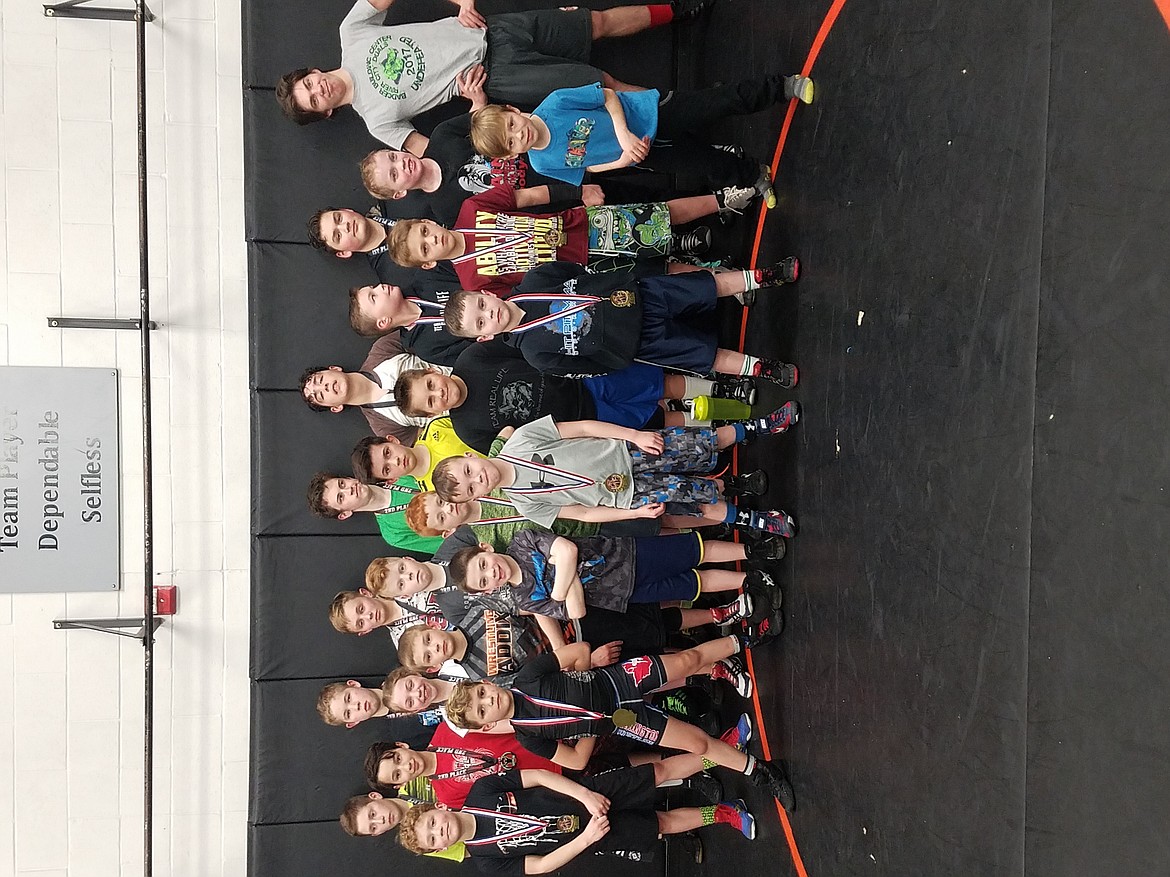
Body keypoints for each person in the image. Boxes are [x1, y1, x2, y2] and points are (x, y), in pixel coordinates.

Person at [275, 0, 719, 155]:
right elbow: (440, 154)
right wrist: (477, 106)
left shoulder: (350, 33)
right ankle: (696, 108)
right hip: (501, 77)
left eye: (310, 84)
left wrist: (461, 2)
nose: (318, 90)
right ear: (328, 112)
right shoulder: (377, 123)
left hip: (493, 29)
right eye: (314, 100)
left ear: (314, 72)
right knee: (602, 85)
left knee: (594, 22)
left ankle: (678, 10)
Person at [442, 637, 797, 809]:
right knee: (697, 743)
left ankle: (744, 637)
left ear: (487, 684)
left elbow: (579, 650)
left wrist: (585, 680)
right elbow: (577, 761)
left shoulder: (529, 676)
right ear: (487, 726)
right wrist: (597, 725)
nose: (489, 702)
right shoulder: (529, 738)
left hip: (618, 680)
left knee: (689, 659)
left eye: (483, 695)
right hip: (623, 720)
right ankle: (758, 771)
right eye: (483, 710)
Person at [431, 414, 801, 536]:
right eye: (470, 488)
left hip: (629, 451)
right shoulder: (527, 505)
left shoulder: (524, 438)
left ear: (470, 455)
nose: (476, 478)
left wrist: (634, 434)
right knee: (698, 504)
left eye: (468, 470)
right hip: (627, 496)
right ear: (475, 498)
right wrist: (633, 514)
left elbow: (584, 428)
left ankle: (761, 426)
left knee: (701, 441)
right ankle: (756, 520)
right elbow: (584, 514)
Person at [442, 260, 800, 383]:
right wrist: (620, 355)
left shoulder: (535, 282)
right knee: (706, 356)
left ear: (487, 293)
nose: (490, 314)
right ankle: (761, 369)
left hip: (640, 294)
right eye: (481, 322)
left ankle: (761, 276)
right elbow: (584, 368)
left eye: (482, 305)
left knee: (708, 285)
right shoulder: (536, 354)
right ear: (484, 338)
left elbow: (578, 272)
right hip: (637, 344)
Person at [394, 341, 757, 454]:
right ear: (431, 414)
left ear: (431, 373)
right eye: (430, 402)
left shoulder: (472, 358)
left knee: (659, 385)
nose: (437, 394)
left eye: (430, 386)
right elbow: (518, 447)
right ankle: (718, 418)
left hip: (586, 379)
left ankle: (719, 389)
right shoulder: (467, 430)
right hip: (582, 426)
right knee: (657, 420)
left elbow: (530, 351)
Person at [384, 186, 771, 290]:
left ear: (427, 223)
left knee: (660, 214)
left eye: (424, 232)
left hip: (580, 225)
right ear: (428, 262)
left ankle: (722, 200)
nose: (431, 239)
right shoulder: (472, 279)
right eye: (424, 248)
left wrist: (578, 188)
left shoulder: (472, 209)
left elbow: (532, 197)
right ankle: (721, 279)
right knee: (661, 270)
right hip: (582, 270)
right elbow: (526, 290)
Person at [467, 76, 813, 192]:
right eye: (511, 142)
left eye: (512, 125)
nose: (519, 134)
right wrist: (622, 159)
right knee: (702, 164)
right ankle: (753, 175)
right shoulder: (542, 164)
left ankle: (782, 86)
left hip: (652, 113)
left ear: (512, 110)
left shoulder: (554, 104)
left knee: (719, 103)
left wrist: (623, 133)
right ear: (511, 155)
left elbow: (606, 95)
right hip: (642, 153)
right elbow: (586, 170)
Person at [398, 765, 758, 870]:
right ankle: (724, 814)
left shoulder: (479, 793)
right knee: (660, 824)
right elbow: (538, 867)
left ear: (437, 808)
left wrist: (584, 794)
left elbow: (537, 777)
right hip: (593, 834)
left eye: (431, 823)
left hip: (588, 794)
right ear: (441, 848)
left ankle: (718, 755)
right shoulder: (488, 861)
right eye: (433, 840)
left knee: (659, 772)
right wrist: (586, 839)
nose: (438, 831)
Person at [447, 532, 775, 644]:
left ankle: (751, 552)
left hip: (625, 554)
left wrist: (560, 585)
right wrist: (565, 575)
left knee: (693, 550)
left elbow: (568, 550)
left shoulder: (521, 542)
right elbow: (576, 611)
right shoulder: (524, 598)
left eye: (484, 566)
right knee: (691, 585)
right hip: (622, 594)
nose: (492, 573)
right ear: (488, 591)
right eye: (485, 581)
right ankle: (745, 581)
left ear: (486, 550)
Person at [359, 112, 593, 226]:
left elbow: (494, 118)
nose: (401, 163)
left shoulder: (442, 135)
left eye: (393, 157)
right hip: (567, 197)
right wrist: (576, 194)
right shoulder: (446, 211)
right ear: (399, 193)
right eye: (394, 174)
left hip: (561, 152)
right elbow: (512, 213)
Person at [298, 332, 451, 440]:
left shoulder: (382, 349)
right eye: (320, 396)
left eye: (320, 380)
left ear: (334, 368)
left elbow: (426, 335)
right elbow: (427, 441)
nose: (325, 387)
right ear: (336, 408)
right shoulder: (383, 427)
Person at [395, 620, 622, 684]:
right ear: (434, 667)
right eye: (428, 655)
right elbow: (539, 682)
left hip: (579, 619)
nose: (433, 647)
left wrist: (562, 648)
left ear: (432, 626)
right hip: (592, 660)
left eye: (427, 639)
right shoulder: (481, 677)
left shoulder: (477, 609)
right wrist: (588, 662)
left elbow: (532, 603)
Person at [306, 471, 440, 554]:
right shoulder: (393, 533)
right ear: (344, 514)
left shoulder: (393, 470)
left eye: (342, 484)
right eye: (341, 497)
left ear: (349, 478)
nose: (349, 490)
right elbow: (445, 544)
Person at [345, 280, 471, 366]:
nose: (380, 287)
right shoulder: (425, 348)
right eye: (374, 297)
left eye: (373, 287)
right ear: (384, 322)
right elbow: (471, 353)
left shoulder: (426, 279)